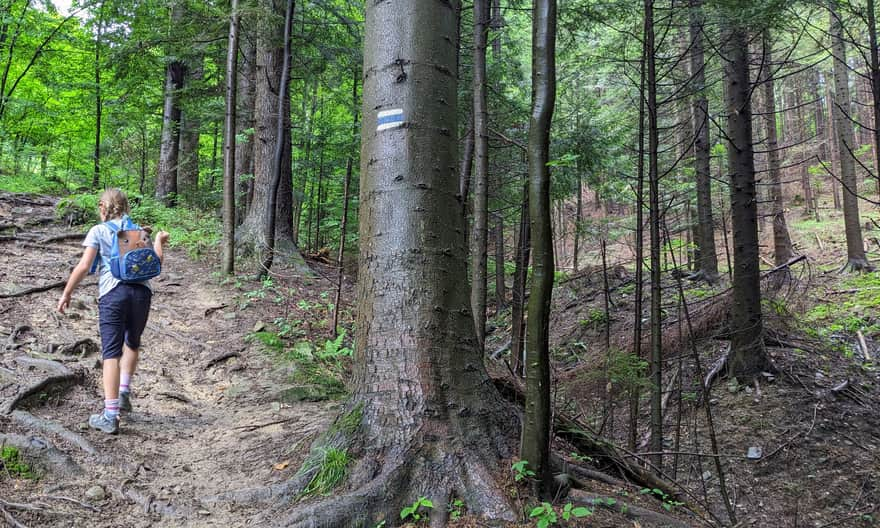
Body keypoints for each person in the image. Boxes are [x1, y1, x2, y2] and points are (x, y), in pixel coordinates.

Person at [56, 188, 169, 434]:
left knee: (110, 354)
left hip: (113, 295)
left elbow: (85, 266)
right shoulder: (137, 231)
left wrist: (67, 293)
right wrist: (159, 242)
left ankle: (110, 415)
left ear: (102, 207)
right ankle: (124, 392)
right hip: (141, 294)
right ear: (126, 207)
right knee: (132, 343)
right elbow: (156, 265)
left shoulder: (99, 231)